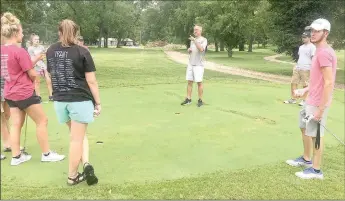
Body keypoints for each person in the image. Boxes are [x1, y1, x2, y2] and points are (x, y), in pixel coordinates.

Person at [1, 12, 65, 166]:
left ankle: (16, 157)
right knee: (42, 120)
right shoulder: (20, 51)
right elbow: (32, 73)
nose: (22, 35)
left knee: (16, 124)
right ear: (15, 33)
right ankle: (46, 154)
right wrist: (35, 76)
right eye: (22, 32)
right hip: (24, 93)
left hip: (10, 93)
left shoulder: (2, 50)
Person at [46, 19, 100, 186]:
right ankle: (72, 176)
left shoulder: (50, 50)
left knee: (77, 135)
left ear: (59, 32)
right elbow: (91, 81)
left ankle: (86, 163)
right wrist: (98, 102)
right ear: (76, 33)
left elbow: (50, 74)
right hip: (79, 100)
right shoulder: (82, 51)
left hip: (60, 101)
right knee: (76, 139)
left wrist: (53, 94)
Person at [286, 18, 337, 180]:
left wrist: (321, 110)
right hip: (311, 99)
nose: (313, 34)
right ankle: (307, 159)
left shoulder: (323, 53)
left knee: (316, 135)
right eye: (312, 31)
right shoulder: (318, 51)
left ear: (326, 33)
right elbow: (318, 81)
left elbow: (329, 83)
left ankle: (316, 170)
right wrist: (305, 89)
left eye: (317, 31)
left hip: (317, 103)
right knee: (304, 128)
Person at [284, 32, 316, 106]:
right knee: (293, 82)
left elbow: (313, 58)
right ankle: (293, 98)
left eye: (305, 37)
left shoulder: (312, 47)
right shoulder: (301, 47)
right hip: (298, 67)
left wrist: (313, 69)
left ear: (309, 38)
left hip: (307, 68)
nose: (303, 39)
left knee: (305, 84)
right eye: (302, 37)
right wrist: (296, 65)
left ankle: (304, 100)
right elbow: (300, 57)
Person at [181, 25, 208, 107]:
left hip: (199, 65)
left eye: (196, 30)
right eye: (194, 30)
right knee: (189, 82)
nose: (195, 31)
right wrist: (189, 50)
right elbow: (192, 50)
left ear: (200, 31)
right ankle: (188, 99)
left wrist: (195, 41)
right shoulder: (193, 40)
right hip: (191, 64)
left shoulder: (204, 40)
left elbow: (201, 49)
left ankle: (200, 100)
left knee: (199, 82)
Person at [27, 34, 53, 101]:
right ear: (32, 40)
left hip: (43, 65)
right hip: (35, 66)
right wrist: (39, 60)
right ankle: (38, 97)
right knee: (37, 82)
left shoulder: (41, 47)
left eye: (38, 39)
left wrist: (45, 53)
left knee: (48, 80)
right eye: (35, 39)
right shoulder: (30, 49)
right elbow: (32, 59)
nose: (37, 41)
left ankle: (51, 95)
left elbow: (44, 55)